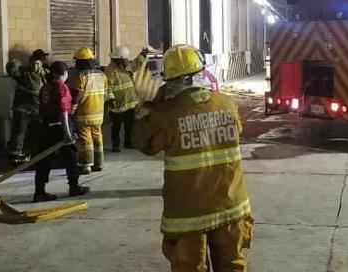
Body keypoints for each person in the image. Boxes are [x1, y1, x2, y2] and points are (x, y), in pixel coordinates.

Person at [132, 45, 253, 272]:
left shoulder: (166, 114)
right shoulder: (227, 103)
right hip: (231, 204)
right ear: (201, 73)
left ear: (169, 81)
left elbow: (143, 142)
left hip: (189, 214)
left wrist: (149, 106)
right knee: (233, 266)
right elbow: (236, 133)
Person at [33, 61, 89, 202]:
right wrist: (67, 133)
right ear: (63, 73)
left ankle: (39, 191)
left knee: (44, 160)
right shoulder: (61, 87)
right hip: (59, 126)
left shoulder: (45, 87)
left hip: (46, 126)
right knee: (71, 156)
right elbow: (63, 111)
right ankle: (74, 187)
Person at [71, 48, 111, 174]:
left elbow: (78, 94)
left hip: (84, 114)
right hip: (98, 114)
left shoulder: (81, 76)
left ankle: (86, 165)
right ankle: (99, 164)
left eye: (77, 61)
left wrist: (72, 110)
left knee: (85, 140)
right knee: (97, 138)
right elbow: (106, 94)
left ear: (82, 62)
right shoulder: (102, 75)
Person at [105, 46, 148, 152]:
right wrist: (110, 99)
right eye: (125, 59)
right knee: (116, 126)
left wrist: (143, 54)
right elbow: (108, 87)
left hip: (129, 103)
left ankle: (128, 142)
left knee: (130, 125)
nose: (127, 61)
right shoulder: (111, 71)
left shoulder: (126, 67)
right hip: (117, 105)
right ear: (119, 59)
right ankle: (116, 145)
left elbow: (136, 64)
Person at [7, 53, 48, 164]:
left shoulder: (46, 75)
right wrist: (15, 63)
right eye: (33, 63)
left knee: (36, 133)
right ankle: (15, 157)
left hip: (37, 110)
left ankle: (34, 155)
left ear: (42, 64)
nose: (35, 66)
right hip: (22, 109)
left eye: (37, 64)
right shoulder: (24, 74)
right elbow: (12, 71)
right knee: (19, 133)